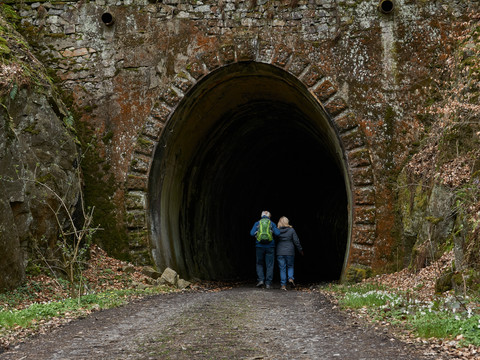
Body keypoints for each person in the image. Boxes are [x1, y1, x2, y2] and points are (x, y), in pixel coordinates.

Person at [250, 211, 280, 289]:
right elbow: (277, 233)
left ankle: (260, 280)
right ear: (269, 216)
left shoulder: (257, 223)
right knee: (269, 265)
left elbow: (251, 233)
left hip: (259, 246)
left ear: (261, 216)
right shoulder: (272, 223)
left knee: (259, 263)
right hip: (270, 246)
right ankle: (268, 283)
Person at [276, 216, 303, 291]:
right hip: (290, 251)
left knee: (282, 268)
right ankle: (290, 278)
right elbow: (296, 241)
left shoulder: (277, 231)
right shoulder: (291, 230)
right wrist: (300, 250)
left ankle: (283, 285)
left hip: (280, 251)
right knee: (290, 266)